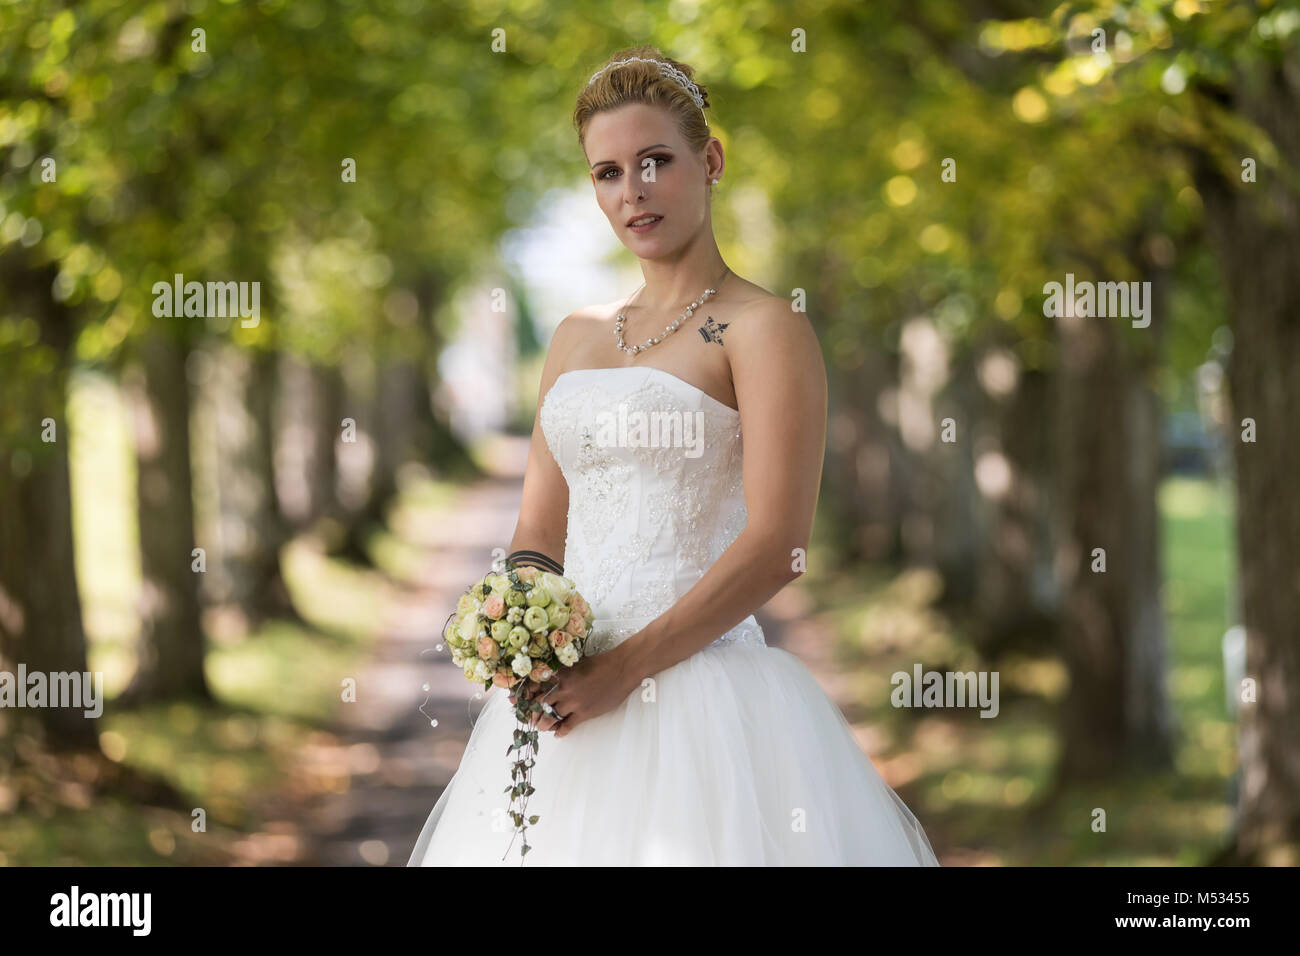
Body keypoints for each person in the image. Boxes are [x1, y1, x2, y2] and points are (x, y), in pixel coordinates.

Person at [408, 45, 939, 865]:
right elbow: (539, 530)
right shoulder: (575, 337)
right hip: (567, 705)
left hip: (704, 701)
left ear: (711, 160)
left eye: (656, 161)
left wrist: (622, 671)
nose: (634, 191)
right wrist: (517, 634)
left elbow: (780, 546)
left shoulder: (767, 330)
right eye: (608, 173)